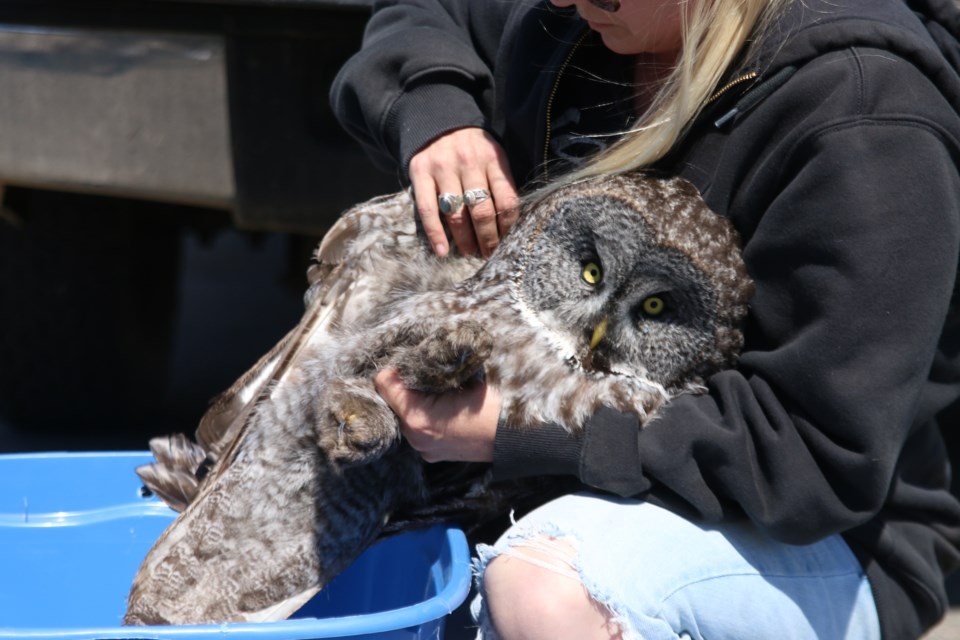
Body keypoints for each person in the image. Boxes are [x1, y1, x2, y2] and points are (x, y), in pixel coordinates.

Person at [330, 0, 960, 638]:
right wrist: (439, 111)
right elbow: (430, 11)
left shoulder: (864, 113)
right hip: (582, 482)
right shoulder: (579, 20)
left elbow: (813, 459)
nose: (565, 3)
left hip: (817, 539)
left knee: (545, 586)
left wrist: (525, 428)